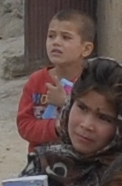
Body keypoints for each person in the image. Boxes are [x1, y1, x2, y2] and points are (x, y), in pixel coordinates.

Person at [16, 8, 98, 149]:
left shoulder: (93, 81)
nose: (56, 42)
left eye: (66, 37)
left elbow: (98, 123)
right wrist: (55, 127)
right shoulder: (36, 81)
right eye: (51, 36)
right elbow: (24, 125)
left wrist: (66, 103)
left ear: (86, 49)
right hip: (41, 160)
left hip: (81, 160)